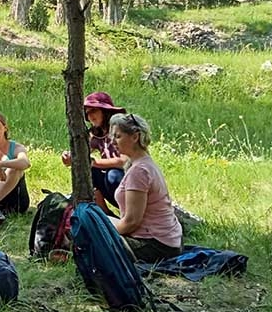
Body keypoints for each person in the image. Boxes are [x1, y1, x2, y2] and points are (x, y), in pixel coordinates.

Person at [108, 113, 183, 262]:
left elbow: (131, 222)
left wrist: (101, 231)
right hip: (168, 241)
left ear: (135, 137)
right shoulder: (143, 164)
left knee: (91, 230)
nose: (113, 142)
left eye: (118, 136)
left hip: (156, 246)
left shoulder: (139, 171)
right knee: (94, 219)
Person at [60, 91, 128, 211]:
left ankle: (128, 213)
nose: (90, 116)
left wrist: (93, 162)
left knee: (113, 175)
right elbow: (82, 153)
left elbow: (125, 161)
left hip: (129, 179)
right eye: (87, 113)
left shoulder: (120, 128)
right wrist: (70, 158)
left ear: (105, 111)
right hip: (113, 183)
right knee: (90, 172)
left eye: (94, 111)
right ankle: (105, 214)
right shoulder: (96, 134)